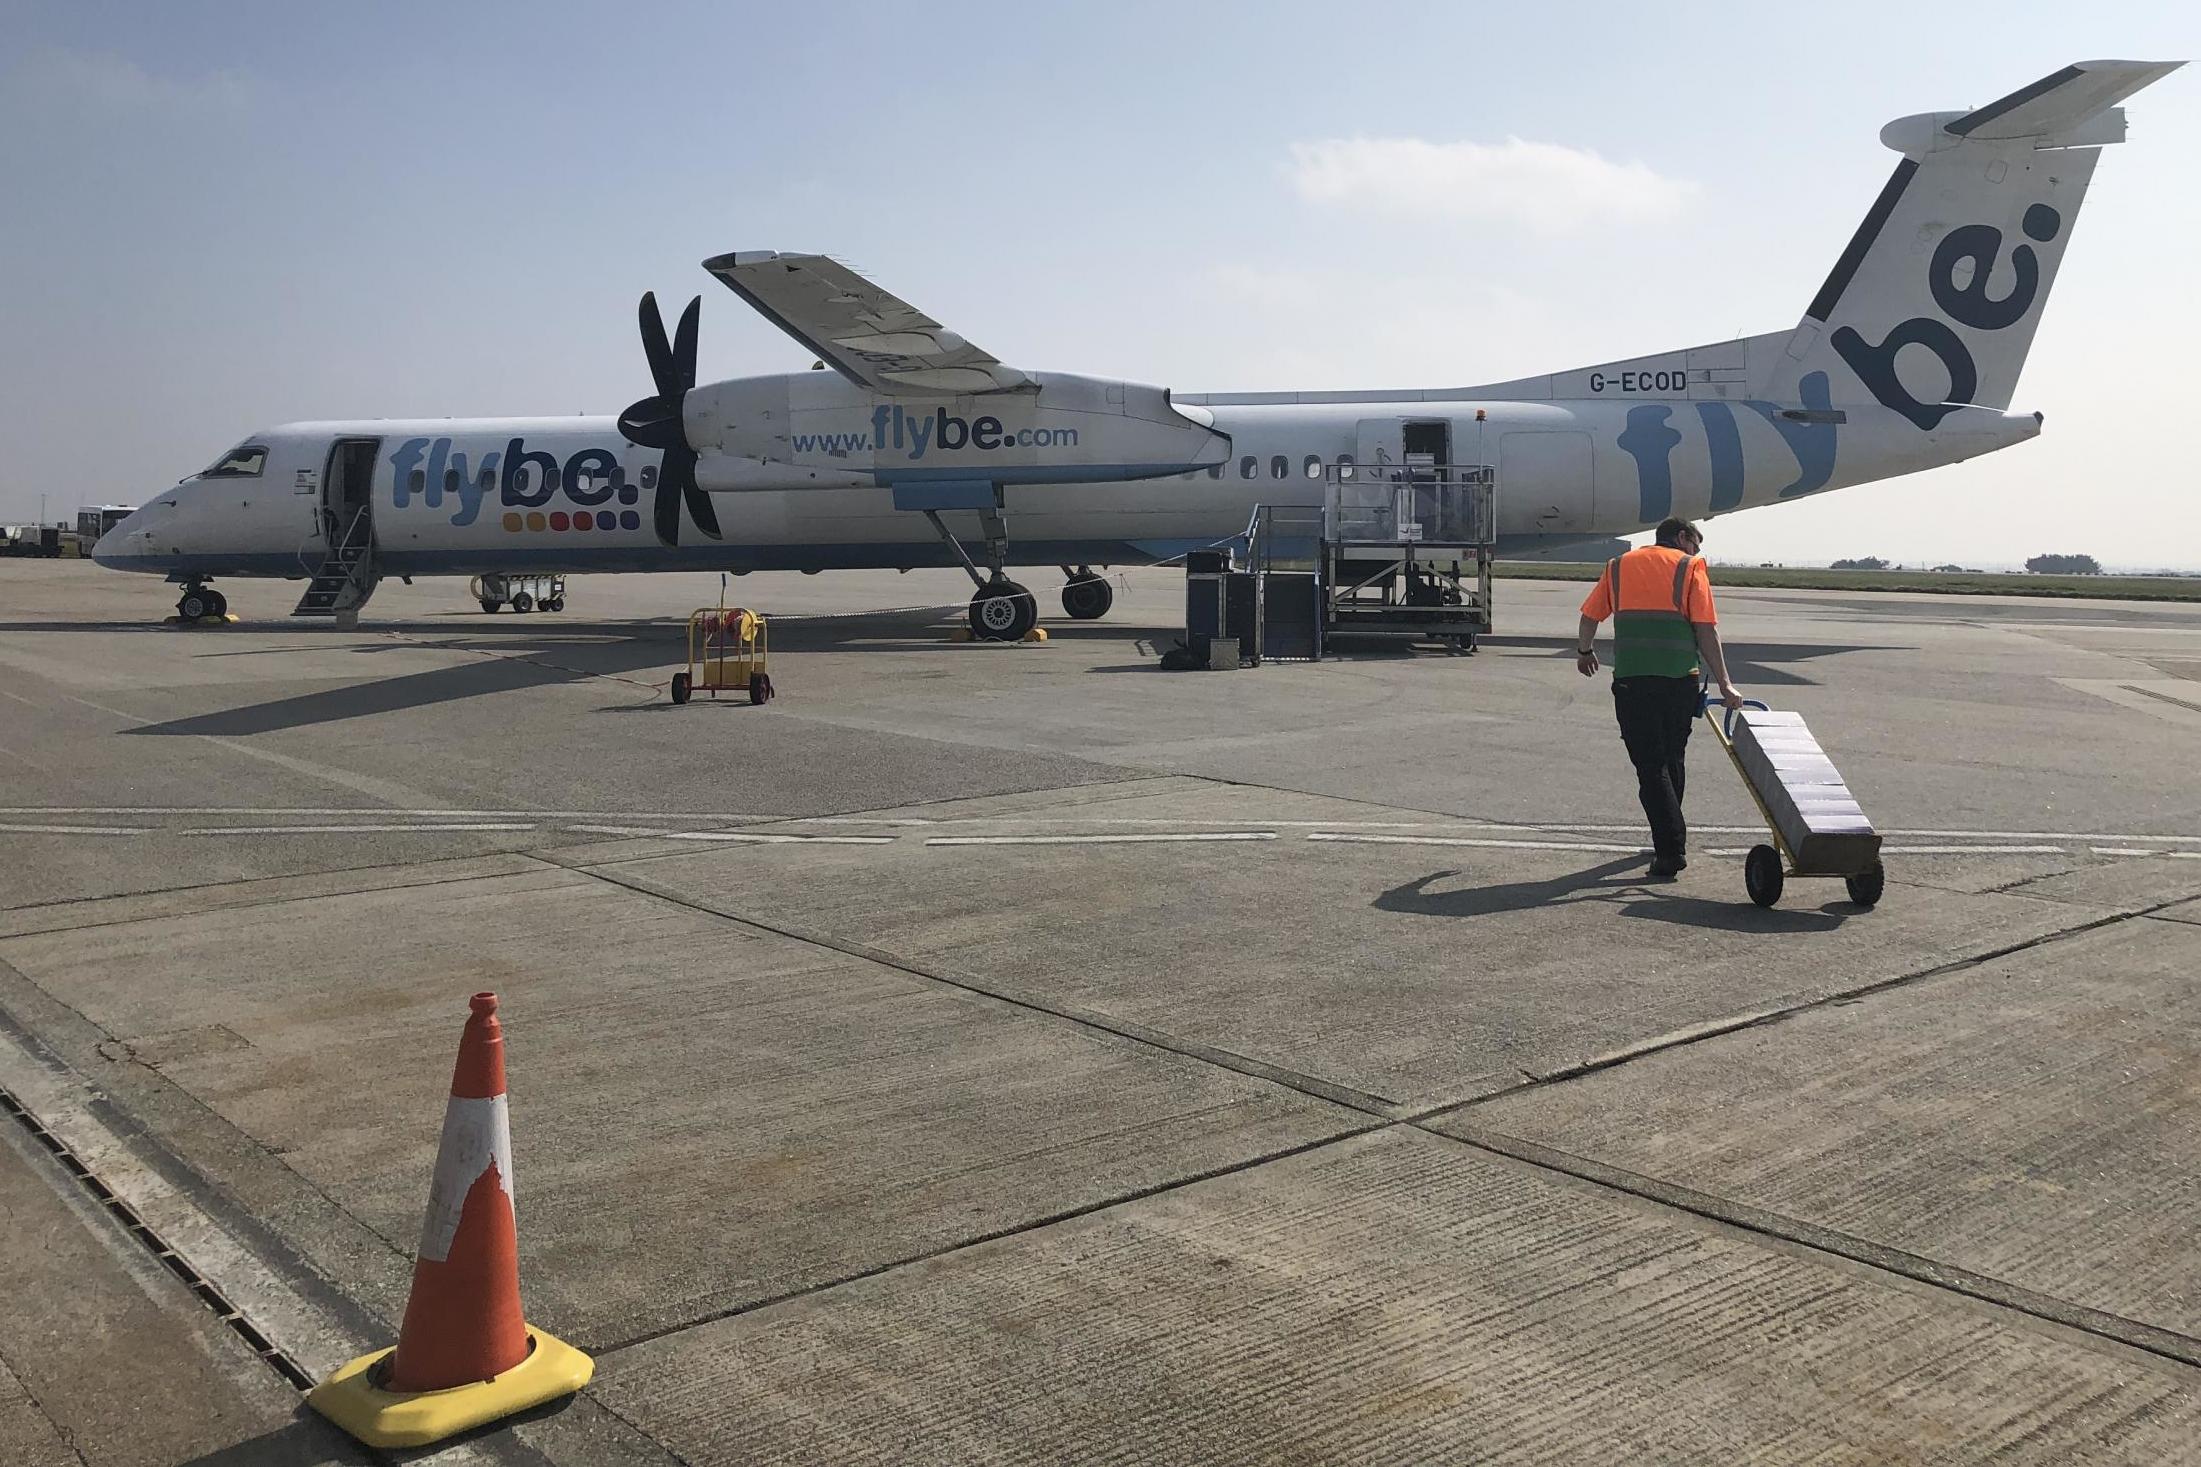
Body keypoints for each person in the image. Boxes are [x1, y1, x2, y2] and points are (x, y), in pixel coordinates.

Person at [1575, 517, 1744, 879]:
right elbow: (1706, 630)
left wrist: (1585, 651)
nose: (1696, 552)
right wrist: (1726, 683)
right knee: (1672, 759)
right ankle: (1669, 838)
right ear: (1682, 537)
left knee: (1651, 767)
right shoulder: (1690, 567)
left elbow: (1590, 617)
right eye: (1695, 544)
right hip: (1680, 682)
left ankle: (1669, 849)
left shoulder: (1618, 566)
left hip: (1633, 682)